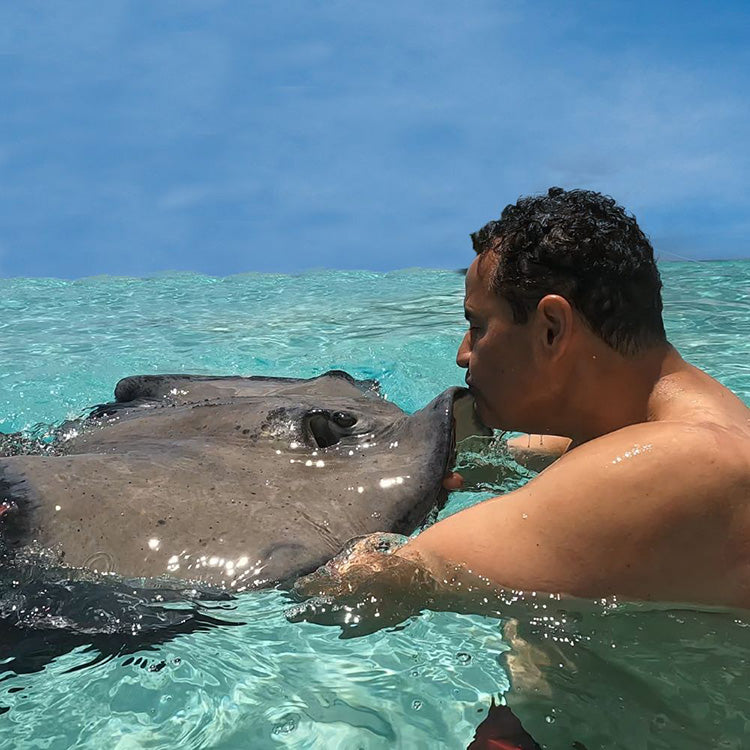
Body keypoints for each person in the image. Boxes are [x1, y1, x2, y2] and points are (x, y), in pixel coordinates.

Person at [391, 187, 750, 608]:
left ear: (552, 328)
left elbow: (361, 585)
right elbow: (524, 455)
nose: (463, 354)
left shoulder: (676, 464)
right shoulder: (668, 421)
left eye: (479, 326)